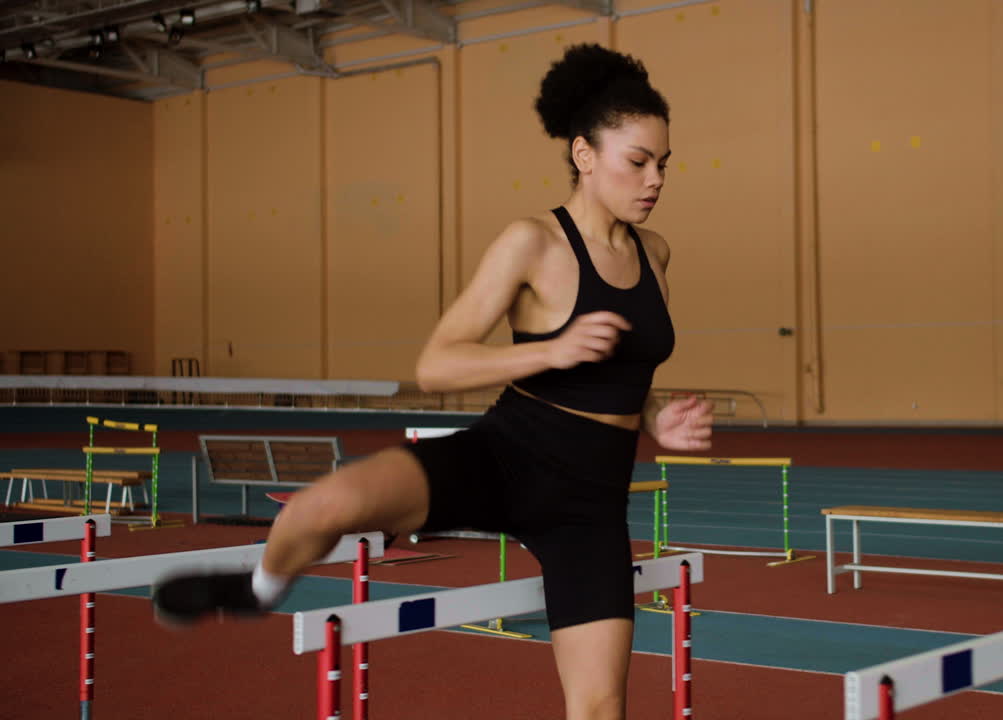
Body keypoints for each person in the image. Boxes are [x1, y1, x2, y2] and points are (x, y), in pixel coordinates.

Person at [154, 43, 714, 720]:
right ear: (584, 155)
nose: (655, 179)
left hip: (589, 504)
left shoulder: (656, 253)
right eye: (638, 161)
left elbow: (620, 371)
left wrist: (655, 416)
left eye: (663, 164)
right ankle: (259, 589)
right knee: (315, 511)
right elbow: (438, 363)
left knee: (599, 709)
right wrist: (548, 351)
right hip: (503, 455)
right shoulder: (531, 242)